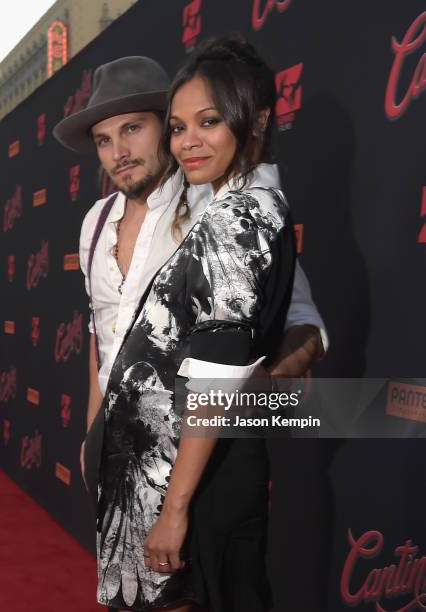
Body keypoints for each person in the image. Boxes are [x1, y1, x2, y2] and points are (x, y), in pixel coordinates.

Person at [53, 43, 327, 611]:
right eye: (104, 140)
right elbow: (103, 334)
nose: (119, 152)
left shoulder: (219, 208)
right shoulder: (93, 222)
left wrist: (243, 390)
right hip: (121, 457)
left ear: (162, 127)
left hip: (202, 461)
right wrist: (92, 431)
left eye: (134, 129)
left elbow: (305, 327)